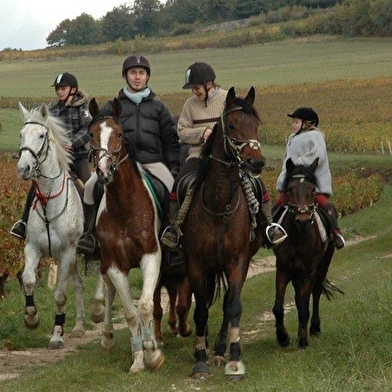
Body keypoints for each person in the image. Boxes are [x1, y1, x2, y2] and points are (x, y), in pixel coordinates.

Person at [160, 62, 286, 250]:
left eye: (196, 87)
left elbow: (242, 126)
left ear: (209, 83)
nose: (194, 92)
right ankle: (174, 229)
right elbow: (182, 132)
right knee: (179, 184)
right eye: (192, 88)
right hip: (198, 156)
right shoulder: (189, 105)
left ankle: (269, 226)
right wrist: (202, 134)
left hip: (231, 158)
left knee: (257, 184)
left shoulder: (229, 100)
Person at [77, 54, 180, 255]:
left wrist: (174, 166)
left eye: (141, 73)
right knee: (90, 187)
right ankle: (90, 234)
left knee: (170, 186)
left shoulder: (158, 108)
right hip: (121, 164)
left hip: (152, 162)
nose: (137, 77)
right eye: (133, 73)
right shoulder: (112, 107)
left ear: (147, 76)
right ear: (125, 76)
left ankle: (169, 232)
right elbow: (99, 131)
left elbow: (171, 141)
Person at [10, 72, 92, 239]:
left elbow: (89, 129)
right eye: (57, 89)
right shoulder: (53, 111)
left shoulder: (82, 109)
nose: (59, 92)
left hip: (78, 158)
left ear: (73, 89)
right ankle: (24, 223)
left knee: (89, 188)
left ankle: (92, 231)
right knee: (36, 186)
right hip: (57, 160)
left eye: (63, 88)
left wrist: (72, 143)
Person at [275, 107, 346, 249]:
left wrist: (298, 164)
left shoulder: (316, 136)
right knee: (278, 204)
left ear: (306, 123)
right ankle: (272, 231)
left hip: (312, 182)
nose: (293, 125)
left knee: (325, 205)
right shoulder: (291, 138)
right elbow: (286, 160)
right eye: (293, 122)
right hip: (293, 182)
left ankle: (335, 232)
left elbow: (317, 155)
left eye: (296, 122)